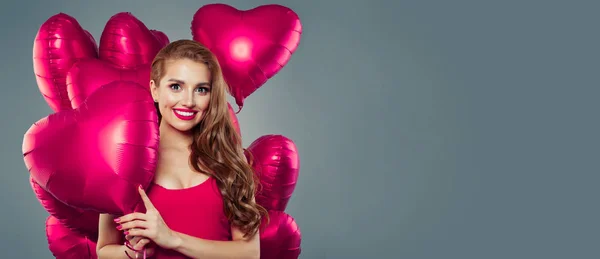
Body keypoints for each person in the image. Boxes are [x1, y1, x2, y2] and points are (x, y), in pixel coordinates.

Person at [96, 39, 268, 259]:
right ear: (155, 90)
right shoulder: (124, 160)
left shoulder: (228, 159)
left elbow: (249, 254)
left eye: (201, 89)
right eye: (176, 87)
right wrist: (132, 254)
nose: (188, 101)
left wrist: (172, 239)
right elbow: (104, 250)